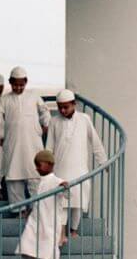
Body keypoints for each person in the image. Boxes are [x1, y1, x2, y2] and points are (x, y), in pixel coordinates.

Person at [45, 89, 107, 234]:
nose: (62, 110)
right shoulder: (54, 121)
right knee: (62, 202)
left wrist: (102, 161)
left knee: (78, 203)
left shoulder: (84, 119)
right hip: (60, 168)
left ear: (74, 104)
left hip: (80, 169)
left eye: (66, 106)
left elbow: (95, 141)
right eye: (60, 107)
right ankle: (61, 233)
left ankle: (73, 230)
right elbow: (49, 147)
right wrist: (47, 168)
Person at [16, 148, 67, 259]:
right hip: (35, 223)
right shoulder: (40, 182)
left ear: (49, 164)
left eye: (39, 164)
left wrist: (64, 187)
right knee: (25, 250)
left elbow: (66, 192)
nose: (37, 168)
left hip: (50, 224)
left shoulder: (57, 181)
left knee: (52, 257)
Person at [0, 67, 49, 205]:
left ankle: (37, 208)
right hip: (13, 143)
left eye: (21, 84)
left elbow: (44, 111)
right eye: (15, 84)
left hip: (32, 142)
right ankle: (18, 210)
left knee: (35, 174)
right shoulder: (4, 100)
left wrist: (45, 124)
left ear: (26, 82)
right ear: (10, 83)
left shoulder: (33, 95)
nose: (18, 87)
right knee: (13, 176)